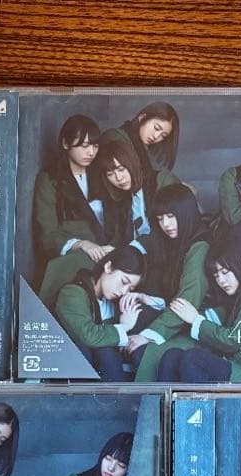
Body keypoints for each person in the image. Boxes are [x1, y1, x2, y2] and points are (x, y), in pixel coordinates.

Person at [38, 139, 176, 306]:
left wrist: (127, 249)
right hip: (131, 259)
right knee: (74, 262)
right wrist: (107, 248)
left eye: (121, 169)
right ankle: (43, 309)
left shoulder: (160, 180)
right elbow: (119, 237)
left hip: (162, 255)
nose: (118, 178)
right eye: (110, 174)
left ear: (132, 163)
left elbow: (173, 227)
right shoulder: (121, 200)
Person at [155, 220, 241, 383]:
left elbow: (234, 340)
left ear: (239, 266)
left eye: (225, 272)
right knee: (171, 356)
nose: (221, 280)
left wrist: (196, 320)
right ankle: (164, 401)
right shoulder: (238, 293)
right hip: (235, 362)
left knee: (194, 359)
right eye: (216, 275)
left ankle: (196, 401)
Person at [125, 184, 210, 381]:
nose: (166, 224)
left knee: (143, 354)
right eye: (160, 218)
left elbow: (186, 302)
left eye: (171, 216)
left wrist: (147, 336)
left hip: (199, 322)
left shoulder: (199, 246)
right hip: (178, 317)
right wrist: (147, 298)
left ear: (185, 213)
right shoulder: (176, 241)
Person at [52, 245, 147, 381]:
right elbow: (88, 335)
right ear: (108, 267)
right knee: (104, 352)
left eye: (130, 288)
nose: (124, 291)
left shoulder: (113, 303)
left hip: (99, 374)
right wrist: (124, 326)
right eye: (123, 281)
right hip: (70, 372)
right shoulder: (73, 293)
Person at [32, 114, 107, 266]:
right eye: (84, 146)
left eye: (95, 146)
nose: (91, 152)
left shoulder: (103, 174)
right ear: (66, 143)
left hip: (106, 250)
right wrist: (79, 244)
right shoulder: (50, 179)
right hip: (72, 258)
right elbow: (47, 235)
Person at [101, 100, 180, 172]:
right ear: (142, 117)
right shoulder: (115, 137)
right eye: (156, 128)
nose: (156, 136)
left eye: (163, 135)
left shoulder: (146, 152)